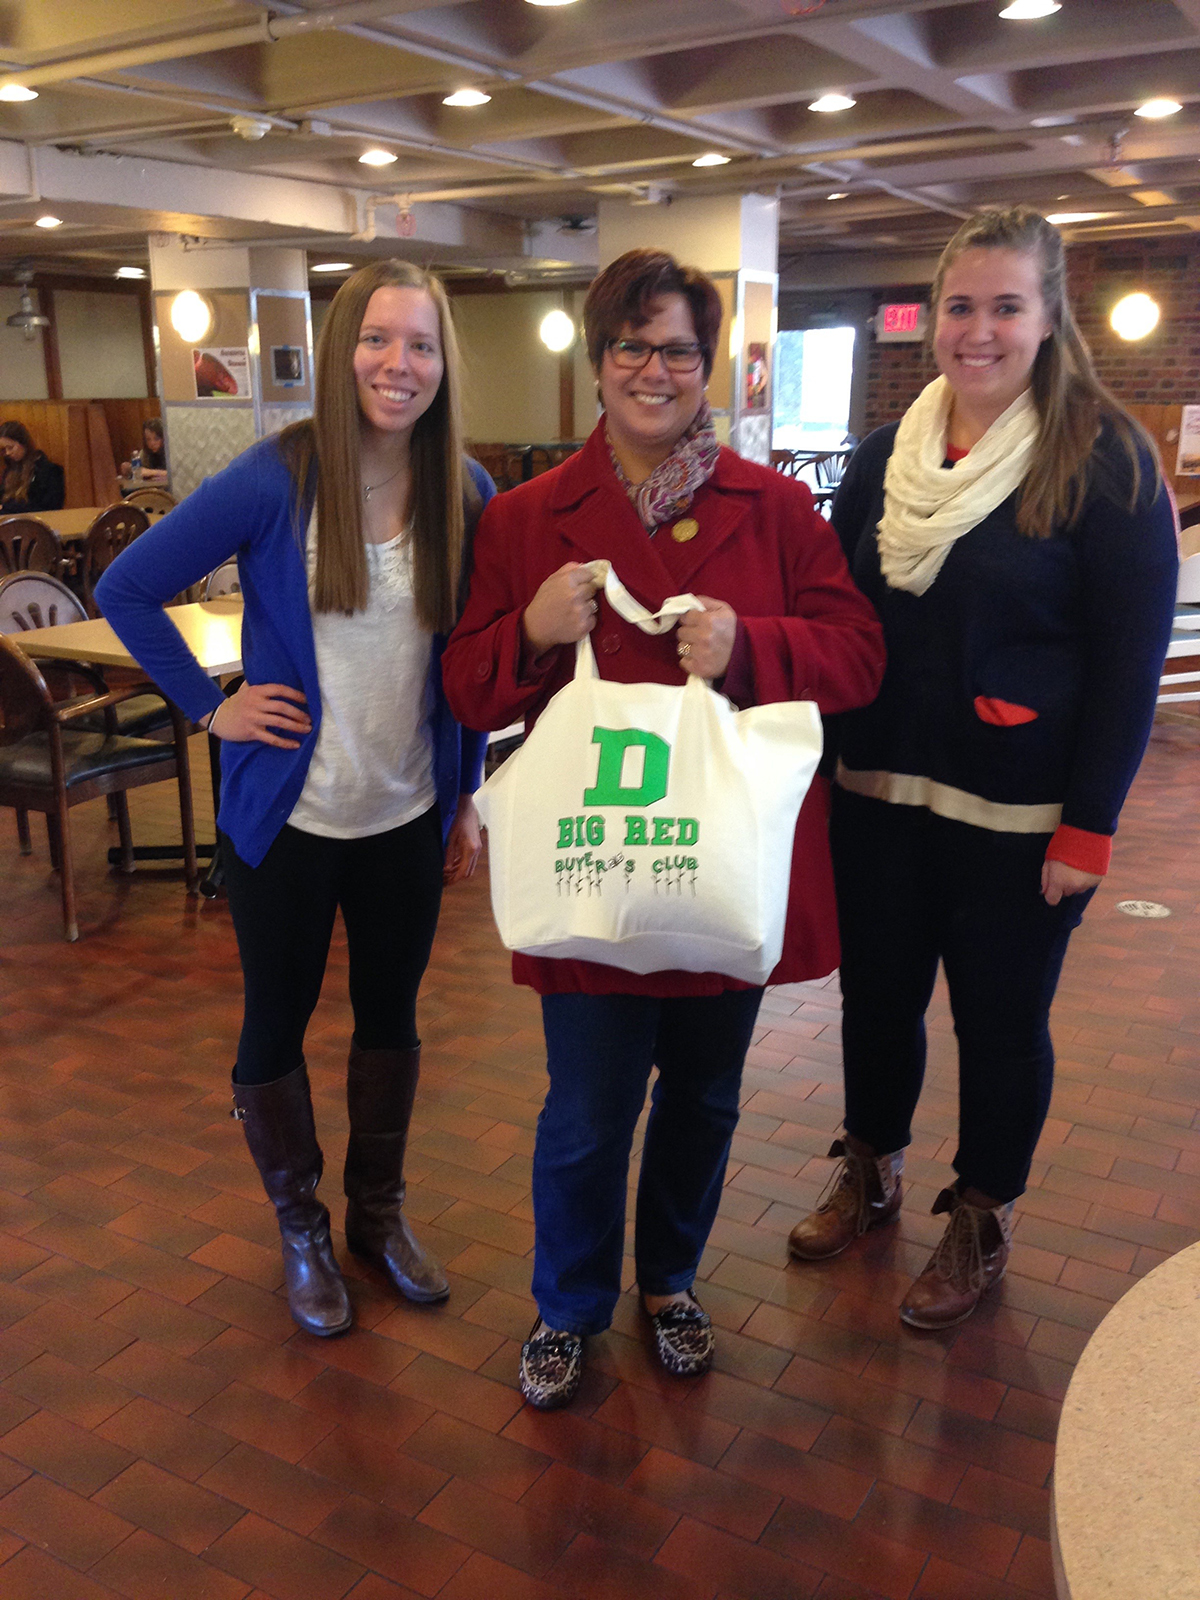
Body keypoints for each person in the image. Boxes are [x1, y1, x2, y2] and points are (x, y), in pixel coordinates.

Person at [442, 248, 885, 1408]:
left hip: (717, 866)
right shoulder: (531, 516)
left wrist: (754, 649)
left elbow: (858, 657)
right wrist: (533, 630)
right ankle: (568, 1304)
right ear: (598, 361)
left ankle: (671, 1282)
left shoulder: (776, 508)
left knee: (704, 1098)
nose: (654, 368)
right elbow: (467, 690)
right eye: (631, 344)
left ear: (710, 366)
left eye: (678, 348)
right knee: (586, 1111)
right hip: (593, 874)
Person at [787, 207, 1179, 1329]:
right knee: (877, 1004)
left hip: (1021, 810)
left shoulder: (1106, 462)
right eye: (961, 306)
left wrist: (1089, 826)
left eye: (1007, 306)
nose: (980, 330)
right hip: (880, 793)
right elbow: (842, 620)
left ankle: (984, 1209)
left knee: (1003, 1025)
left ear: (1050, 318)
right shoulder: (883, 457)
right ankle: (872, 1165)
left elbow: (1126, 665)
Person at [97, 260, 493, 1337]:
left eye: (418, 344)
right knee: (275, 1018)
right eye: (376, 339)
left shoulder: (465, 489)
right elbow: (125, 585)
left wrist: (470, 796)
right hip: (287, 817)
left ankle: (376, 1213)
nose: (397, 364)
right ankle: (301, 1226)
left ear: (440, 361)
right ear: (340, 350)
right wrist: (206, 708)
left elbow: (469, 664)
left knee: (392, 1017)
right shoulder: (280, 474)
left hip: (406, 812)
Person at [0, 420, 65, 513]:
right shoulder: (10, 471)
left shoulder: (50, 471)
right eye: (3, 450)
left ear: (23, 443)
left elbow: (50, 508)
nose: (8, 453)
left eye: (10, 447)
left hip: (37, 523)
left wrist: (7, 508)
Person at [121, 418, 169, 484]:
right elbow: (139, 471)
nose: (152, 443)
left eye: (156, 439)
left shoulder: (171, 452)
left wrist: (151, 472)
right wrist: (129, 469)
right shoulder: (145, 453)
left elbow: (176, 474)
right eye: (148, 439)